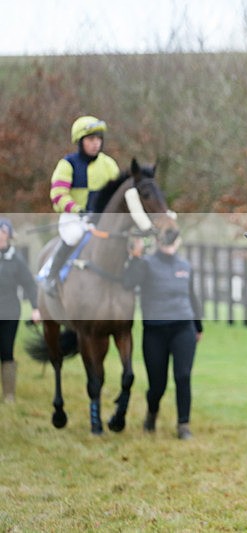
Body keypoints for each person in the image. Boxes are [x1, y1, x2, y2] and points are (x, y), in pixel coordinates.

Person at [123, 237, 203, 440]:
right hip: (155, 331)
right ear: (158, 241)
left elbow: (192, 296)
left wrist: (198, 326)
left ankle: (183, 425)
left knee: (183, 376)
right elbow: (128, 282)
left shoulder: (185, 265)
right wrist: (135, 257)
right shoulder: (146, 264)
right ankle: (151, 413)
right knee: (157, 384)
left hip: (183, 328)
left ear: (178, 241)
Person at [44, 115, 120, 295]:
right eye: (91, 139)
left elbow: (115, 195)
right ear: (80, 141)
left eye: (99, 139)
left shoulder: (109, 165)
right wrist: (78, 210)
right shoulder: (67, 164)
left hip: (99, 217)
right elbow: (58, 195)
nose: (96, 143)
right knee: (74, 236)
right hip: (74, 217)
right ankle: (51, 276)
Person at [0, 218, 41, 403]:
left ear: (9, 235)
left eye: (3, 232)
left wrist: (35, 308)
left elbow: (29, 285)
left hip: (9, 312)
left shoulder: (16, 258)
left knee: (6, 350)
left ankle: (9, 394)